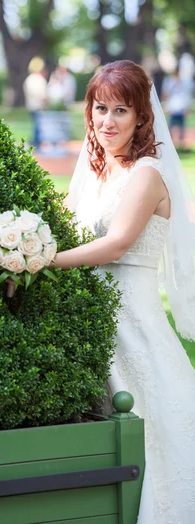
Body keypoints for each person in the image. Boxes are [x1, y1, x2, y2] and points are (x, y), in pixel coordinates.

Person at [53, 60, 195, 522]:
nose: (107, 121)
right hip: (90, 324)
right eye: (100, 108)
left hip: (135, 326)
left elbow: (115, 244)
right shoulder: (95, 172)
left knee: (156, 437)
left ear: (141, 117)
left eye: (121, 110)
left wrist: (42, 262)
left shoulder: (148, 173)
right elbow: (62, 223)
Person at [161, 67, 193, 147]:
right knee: (171, 127)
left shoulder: (184, 82)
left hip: (181, 108)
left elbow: (187, 96)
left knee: (181, 128)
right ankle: (170, 145)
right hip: (172, 108)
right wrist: (165, 105)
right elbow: (165, 94)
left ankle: (181, 145)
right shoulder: (169, 81)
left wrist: (187, 108)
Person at [22, 57, 48, 147]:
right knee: (38, 125)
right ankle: (36, 142)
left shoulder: (29, 79)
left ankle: (35, 141)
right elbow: (43, 95)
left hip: (31, 105)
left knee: (36, 124)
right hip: (38, 105)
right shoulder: (39, 79)